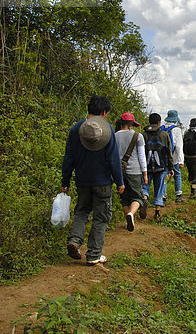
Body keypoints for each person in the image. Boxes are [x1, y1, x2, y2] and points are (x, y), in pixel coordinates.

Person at [62, 95, 124, 266]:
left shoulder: (75, 129)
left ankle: (74, 240)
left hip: (82, 181)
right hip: (102, 182)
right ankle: (93, 255)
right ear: (104, 112)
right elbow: (113, 159)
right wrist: (120, 181)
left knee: (82, 211)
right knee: (101, 217)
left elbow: (69, 158)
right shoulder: (108, 129)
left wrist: (65, 181)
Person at [115, 112, 148, 230]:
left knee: (124, 198)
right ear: (130, 125)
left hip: (120, 171)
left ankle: (128, 222)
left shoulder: (115, 135)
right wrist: (145, 173)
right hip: (135, 171)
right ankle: (131, 214)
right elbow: (141, 156)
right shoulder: (138, 136)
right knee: (138, 197)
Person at [142, 113, 174, 222]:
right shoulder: (164, 134)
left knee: (145, 186)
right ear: (159, 122)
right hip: (161, 167)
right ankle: (157, 212)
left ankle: (145, 198)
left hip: (146, 166)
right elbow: (168, 152)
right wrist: (171, 167)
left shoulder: (143, 135)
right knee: (159, 188)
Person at [161, 110, 184, 202]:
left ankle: (163, 196)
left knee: (164, 175)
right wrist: (181, 160)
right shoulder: (176, 129)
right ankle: (178, 194)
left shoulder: (161, 128)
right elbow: (178, 146)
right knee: (177, 174)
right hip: (173, 157)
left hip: (162, 157)